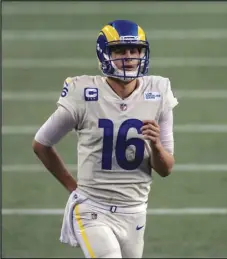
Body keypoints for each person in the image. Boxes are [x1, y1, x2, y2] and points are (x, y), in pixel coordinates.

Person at [32, 19, 178, 258]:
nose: (129, 56)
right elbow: (42, 144)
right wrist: (72, 187)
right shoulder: (84, 93)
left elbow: (166, 169)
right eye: (120, 50)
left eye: (135, 50)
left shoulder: (158, 91)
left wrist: (156, 145)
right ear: (104, 54)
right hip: (93, 208)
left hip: (135, 210)